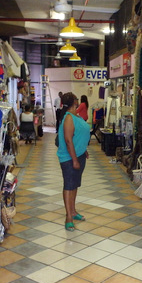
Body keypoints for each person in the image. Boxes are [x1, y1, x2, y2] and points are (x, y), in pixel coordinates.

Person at [57, 92, 90, 231]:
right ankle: (68, 217)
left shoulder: (75, 116)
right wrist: (75, 160)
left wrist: (83, 149)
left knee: (74, 185)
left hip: (79, 155)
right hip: (70, 158)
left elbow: (78, 135)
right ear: (74, 102)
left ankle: (73, 211)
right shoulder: (69, 118)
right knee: (69, 186)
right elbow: (68, 140)